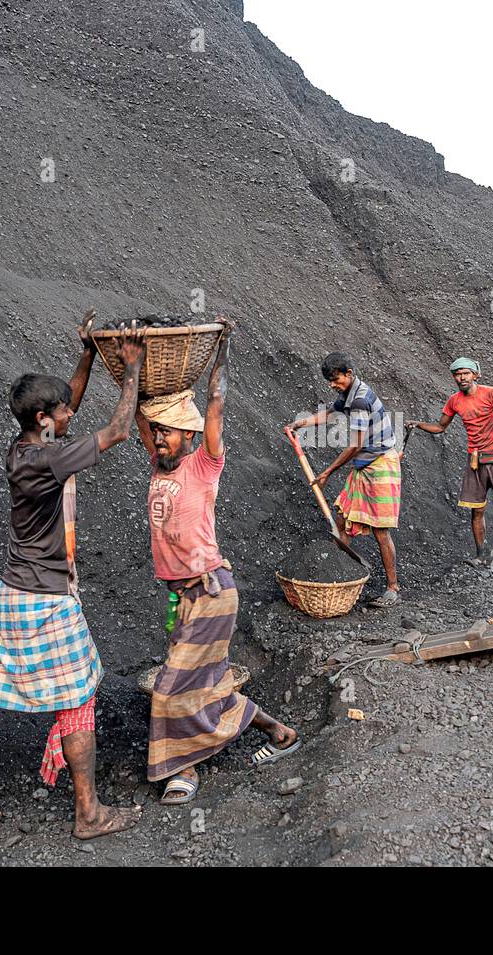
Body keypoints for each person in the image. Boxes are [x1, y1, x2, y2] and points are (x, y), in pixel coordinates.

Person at [0, 311, 143, 843]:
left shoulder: (25, 447)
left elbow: (67, 406)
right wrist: (133, 369)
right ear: (45, 419)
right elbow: (120, 429)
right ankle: (88, 814)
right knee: (78, 697)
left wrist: (88, 356)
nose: (68, 412)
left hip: (12, 594)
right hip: (45, 599)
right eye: (61, 410)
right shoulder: (47, 461)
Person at [133, 317, 299, 805]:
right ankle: (282, 734)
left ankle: (184, 769)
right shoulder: (158, 462)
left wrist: (222, 350)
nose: (160, 439)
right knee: (209, 684)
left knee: (170, 689)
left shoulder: (203, 465)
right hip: (183, 596)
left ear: (188, 436)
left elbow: (216, 406)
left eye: (168, 433)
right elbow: (140, 419)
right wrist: (134, 367)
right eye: (157, 433)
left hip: (210, 589)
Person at [284, 351, 402, 607]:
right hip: (365, 464)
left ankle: (392, 588)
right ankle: (336, 577)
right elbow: (329, 413)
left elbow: (355, 445)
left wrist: (327, 472)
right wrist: (301, 424)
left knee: (381, 530)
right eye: (330, 381)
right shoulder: (348, 394)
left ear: (349, 374)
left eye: (336, 380)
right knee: (342, 517)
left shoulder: (360, 400)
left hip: (380, 464)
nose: (332, 385)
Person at [405, 356, 493, 566]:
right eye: (457, 374)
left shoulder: (491, 393)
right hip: (475, 461)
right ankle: (481, 556)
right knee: (477, 510)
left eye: (465, 373)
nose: (461, 377)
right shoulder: (454, 401)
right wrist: (418, 424)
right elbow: (440, 427)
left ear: (475, 374)